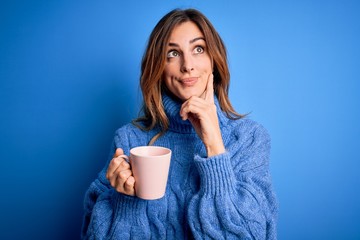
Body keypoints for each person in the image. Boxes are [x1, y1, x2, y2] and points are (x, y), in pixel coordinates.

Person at [81, 8, 278, 239]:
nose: (187, 65)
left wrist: (214, 146)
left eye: (198, 49)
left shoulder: (249, 138)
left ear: (214, 60)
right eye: (172, 54)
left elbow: (252, 234)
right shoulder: (128, 140)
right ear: (158, 67)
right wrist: (125, 201)